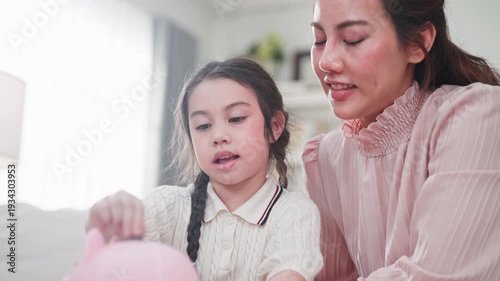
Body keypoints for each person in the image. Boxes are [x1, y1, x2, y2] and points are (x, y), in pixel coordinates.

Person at [305, 0, 500, 280]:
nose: (325, 62)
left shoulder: (474, 117)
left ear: (417, 43)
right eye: (319, 40)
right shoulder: (327, 155)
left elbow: (436, 274)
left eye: (352, 39)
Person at [86, 57, 323, 281]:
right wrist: (109, 218)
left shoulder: (294, 214)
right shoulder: (168, 206)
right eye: (203, 126)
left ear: (274, 126)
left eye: (236, 118)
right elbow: (106, 254)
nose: (218, 136)